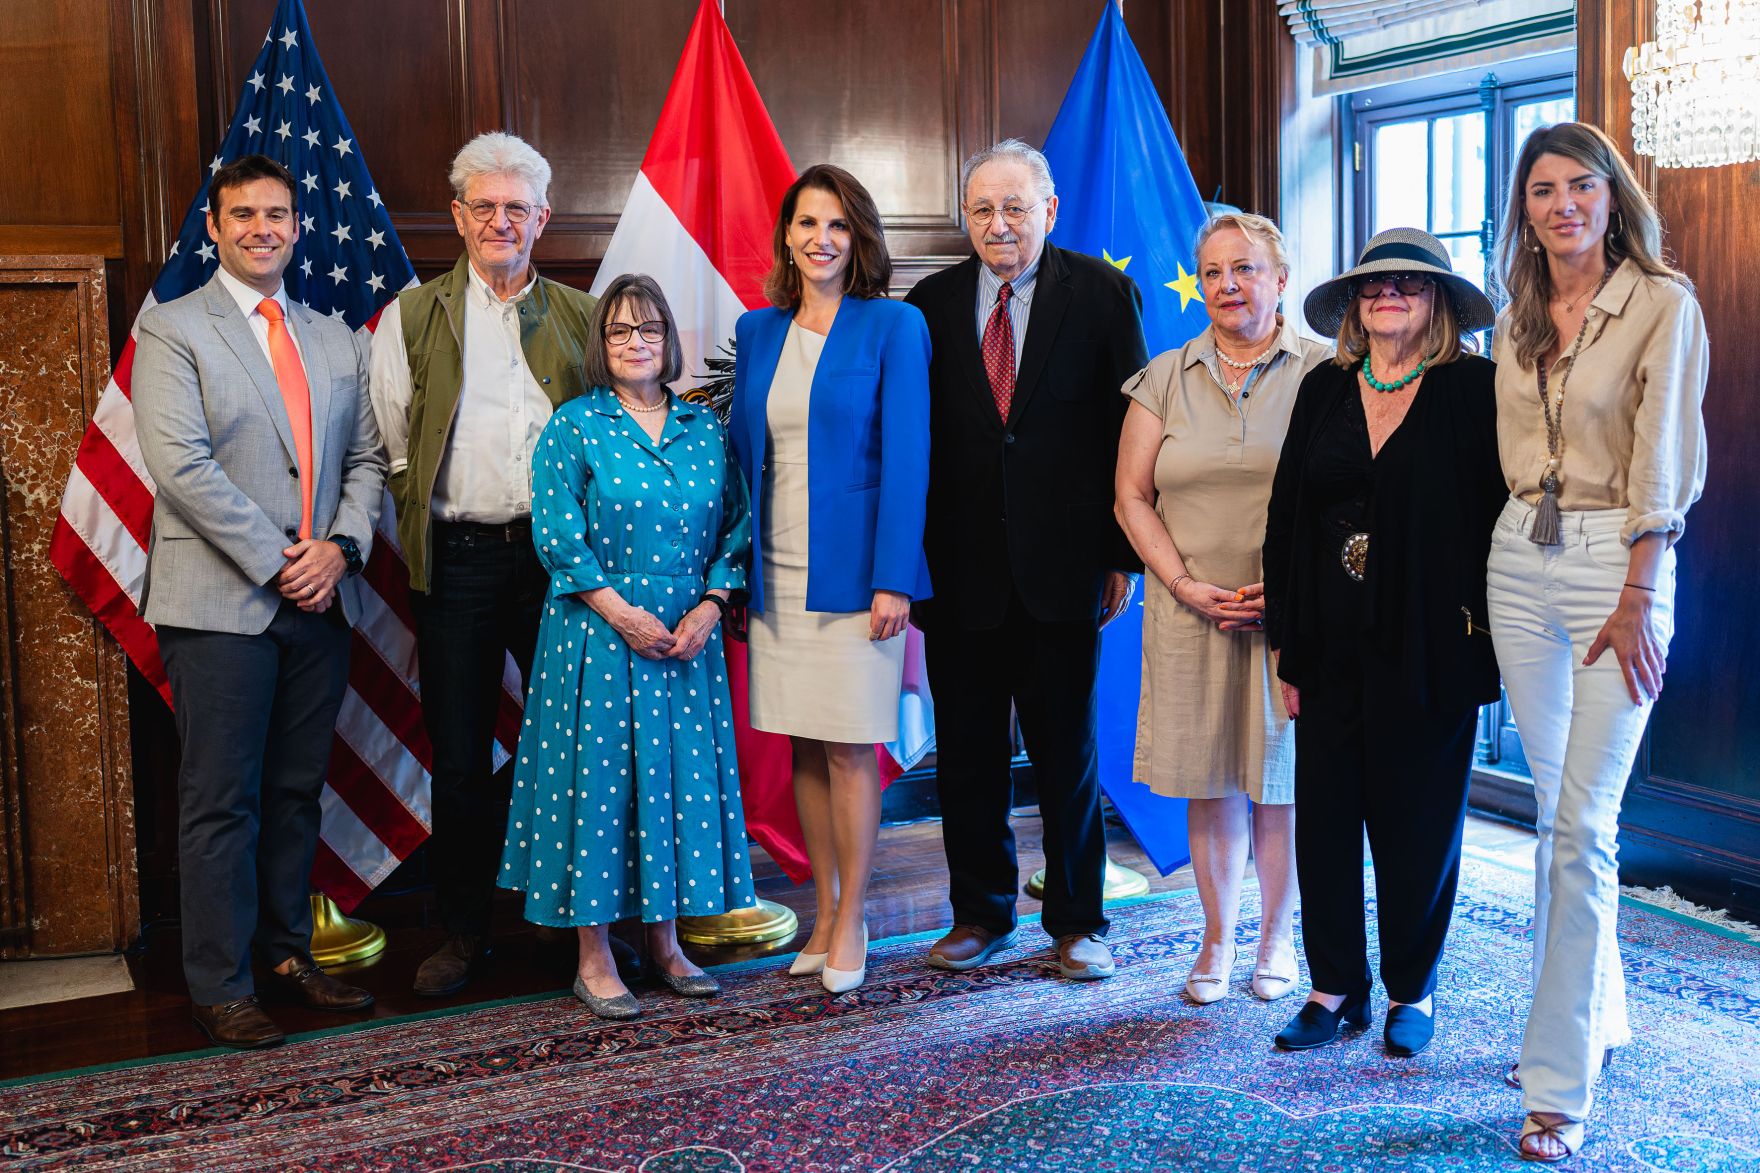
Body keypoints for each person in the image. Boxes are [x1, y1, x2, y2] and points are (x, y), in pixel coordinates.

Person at [1487, 122, 1707, 1163]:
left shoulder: (1662, 304)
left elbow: (1659, 467)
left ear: (1612, 199)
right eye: (1542, 189)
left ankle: (1556, 1086)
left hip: (1616, 565)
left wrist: (1636, 593)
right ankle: (1594, 1020)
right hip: (1515, 565)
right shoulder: (1511, 323)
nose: (1563, 203)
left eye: (1582, 185)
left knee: (1581, 828)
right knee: (1555, 819)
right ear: (1522, 210)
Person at [132, 154, 386, 1048]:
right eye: (242, 215)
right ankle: (220, 981)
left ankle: (285, 955)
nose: (261, 228)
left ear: (298, 224)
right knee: (220, 800)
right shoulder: (172, 329)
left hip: (321, 602)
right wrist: (284, 561)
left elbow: (364, 461)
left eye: (276, 214)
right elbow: (181, 468)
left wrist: (342, 548)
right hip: (220, 605)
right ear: (213, 225)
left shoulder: (335, 335)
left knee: (294, 793)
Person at [905, 139, 1147, 982]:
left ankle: (1078, 921)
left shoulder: (1104, 294)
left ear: (1050, 209)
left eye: (1016, 207)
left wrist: (1121, 555)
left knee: (1065, 755)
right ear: (963, 218)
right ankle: (980, 915)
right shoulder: (927, 303)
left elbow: (1131, 434)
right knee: (967, 755)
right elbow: (912, 443)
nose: (999, 224)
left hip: (1065, 566)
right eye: (983, 210)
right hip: (959, 569)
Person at [1262, 227, 1505, 1057]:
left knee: (1418, 826)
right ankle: (1333, 988)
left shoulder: (1476, 388)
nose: (1387, 295)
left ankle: (1413, 988)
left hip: (1432, 646)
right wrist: (1285, 647)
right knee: (1324, 820)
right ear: (1355, 307)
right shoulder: (1323, 388)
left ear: (1437, 300)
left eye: (1407, 283)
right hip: (1326, 644)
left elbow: (1501, 523)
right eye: (1373, 286)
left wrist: (1490, 647)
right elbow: (1286, 520)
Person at [369, 132, 597, 997]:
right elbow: (393, 448)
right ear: (458, 216)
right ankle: (464, 934)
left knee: (576, 748)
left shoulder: (585, 316)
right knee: (461, 759)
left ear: (542, 219)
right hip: (459, 563)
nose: (501, 222)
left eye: (518, 208)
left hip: (560, 567)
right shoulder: (412, 314)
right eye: (484, 207)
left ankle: (579, 931)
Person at [498, 273, 755, 1020]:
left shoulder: (705, 427)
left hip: (686, 639)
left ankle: (667, 943)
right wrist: (625, 615)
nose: (635, 342)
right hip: (597, 636)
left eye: (648, 329)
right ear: (601, 346)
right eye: (619, 331)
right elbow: (556, 536)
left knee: (672, 787)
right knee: (599, 791)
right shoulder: (574, 425)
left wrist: (710, 606)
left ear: (670, 341)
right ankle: (594, 953)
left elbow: (735, 529)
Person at [1114, 212, 1328, 1006]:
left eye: (1245, 269)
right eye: (1212, 272)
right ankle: (1216, 936)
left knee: (1280, 784)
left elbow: (1345, 495)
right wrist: (1178, 584)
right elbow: (1131, 497)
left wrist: (1298, 584)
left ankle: (1276, 939)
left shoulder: (1325, 372)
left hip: (1290, 614)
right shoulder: (1164, 375)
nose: (1228, 285)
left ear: (1280, 278)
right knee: (1211, 784)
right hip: (1189, 611)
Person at [728, 164, 931, 995]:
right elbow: (743, 457)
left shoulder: (893, 326)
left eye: (839, 225)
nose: (821, 239)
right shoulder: (758, 330)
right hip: (774, 570)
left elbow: (910, 460)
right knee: (804, 743)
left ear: (860, 239)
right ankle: (822, 906)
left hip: (856, 577)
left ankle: (855, 918)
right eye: (808, 223)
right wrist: (736, 573)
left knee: (850, 746)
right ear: (786, 234)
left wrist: (894, 580)